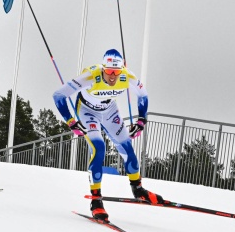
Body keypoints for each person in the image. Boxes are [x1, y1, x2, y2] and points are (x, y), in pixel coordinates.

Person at [52, 48, 164, 222]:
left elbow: (143, 95)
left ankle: (138, 189)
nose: (113, 76)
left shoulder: (127, 76)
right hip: (87, 112)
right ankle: (96, 201)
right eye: (109, 72)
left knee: (126, 146)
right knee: (99, 148)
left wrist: (141, 120)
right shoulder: (91, 76)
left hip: (110, 111)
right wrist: (71, 121)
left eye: (117, 72)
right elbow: (59, 95)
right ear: (103, 68)